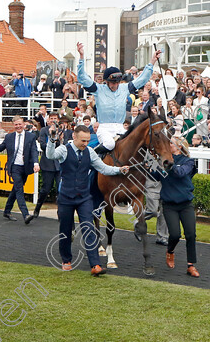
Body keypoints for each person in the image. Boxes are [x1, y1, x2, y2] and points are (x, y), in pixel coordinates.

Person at [45, 125, 129, 276]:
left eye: (88, 140)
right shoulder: (64, 150)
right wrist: (52, 140)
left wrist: (119, 170)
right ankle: (66, 260)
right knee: (65, 230)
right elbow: (50, 155)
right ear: (75, 137)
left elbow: (103, 168)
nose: (86, 143)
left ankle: (95, 264)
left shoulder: (90, 152)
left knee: (89, 229)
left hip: (84, 197)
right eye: (83, 140)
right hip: (66, 197)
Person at [76, 41, 161, 152]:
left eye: (117, 82)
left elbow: (142, 79)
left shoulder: (124, 88)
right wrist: (81, 57)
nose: (115, 85)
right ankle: (92, 157)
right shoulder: (98, 89)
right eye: (112, 83)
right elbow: (82, 78)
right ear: (106, 81)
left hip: (120, 127)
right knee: (110, 144)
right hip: (104, 128)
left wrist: (152, 61)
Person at [153, 137, 199, 277]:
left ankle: (191, 265)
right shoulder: (164, 161)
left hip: (186, 204)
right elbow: (154, 176)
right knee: (175, 234)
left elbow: (180, 173)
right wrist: (151, 166)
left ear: (180, 147)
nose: (168, 145)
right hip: (169, 205)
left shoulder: (189, 162)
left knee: (191, 234)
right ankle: (170, 251)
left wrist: (168, 165)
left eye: (171, 143)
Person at [0, 115, 39, 224]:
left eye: (20, 124)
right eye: (16, 125)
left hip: (25, 167)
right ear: (13, 125)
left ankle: (7, 210)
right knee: (19, 189)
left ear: (24, 124)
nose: (18, 126)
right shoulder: (9, 137)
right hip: (14, 167)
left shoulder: (30, 137)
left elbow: (34, 151)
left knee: (16, 189)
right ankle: (26, 214)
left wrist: (35, 163)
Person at [32, 111, 61, 218]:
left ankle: (60, 213)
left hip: (59, 164)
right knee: (45, 189)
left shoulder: (62, 130)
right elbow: (43, 146)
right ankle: (37, 209)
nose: (53, 120)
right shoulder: (44, 130)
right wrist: (51, 135)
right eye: (51, 118)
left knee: (60, 189)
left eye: (55, 118)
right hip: (47, 163)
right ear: (48, 120)